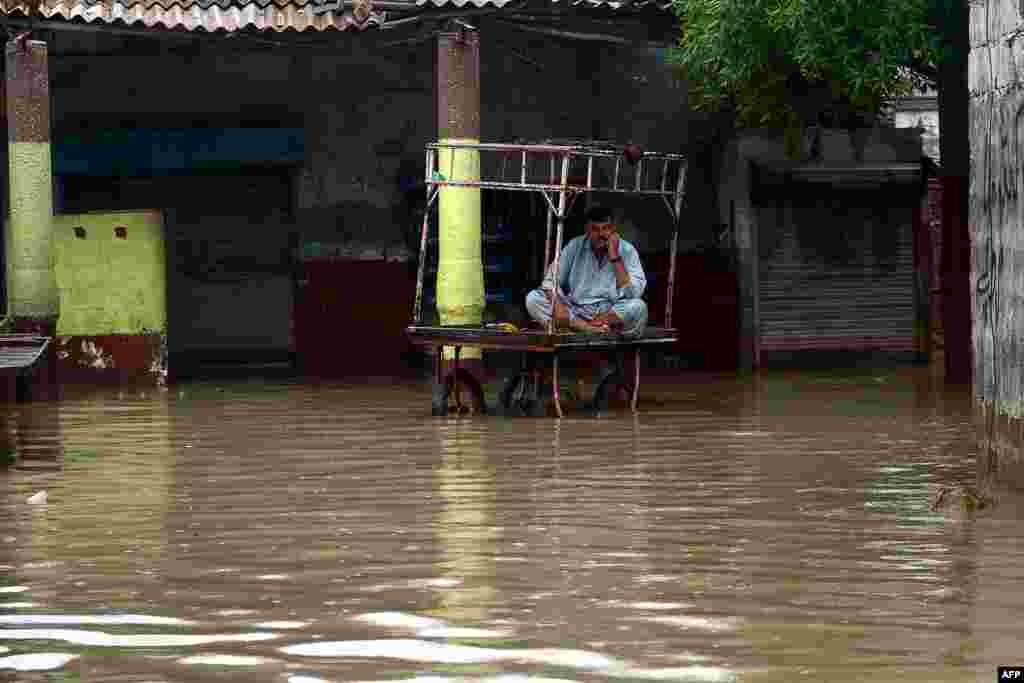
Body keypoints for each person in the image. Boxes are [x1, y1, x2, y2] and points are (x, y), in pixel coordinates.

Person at [525, 205, 648, 336]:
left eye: (605, 228)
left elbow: (633, 293)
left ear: (613, 229)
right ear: (587, 231)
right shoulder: (575, 245)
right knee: (533, 298)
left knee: (638, 307)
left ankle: (587, 328)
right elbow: (550, 281)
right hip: (577, 312)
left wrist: (615, 257)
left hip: (611, 314)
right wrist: (558, 306)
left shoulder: (627, 250)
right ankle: (586, 328)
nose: (601, 234)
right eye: (595, 229)